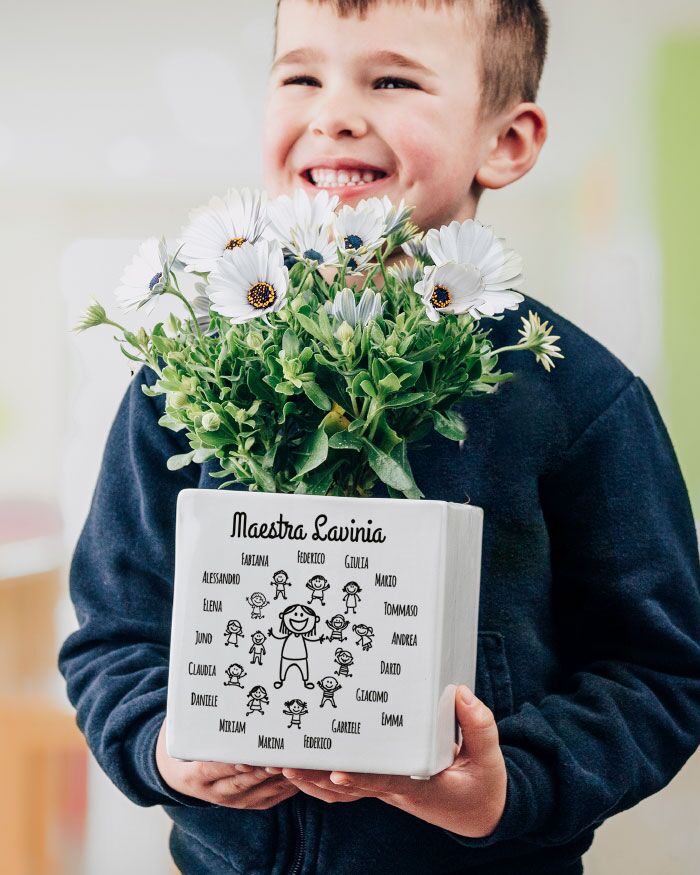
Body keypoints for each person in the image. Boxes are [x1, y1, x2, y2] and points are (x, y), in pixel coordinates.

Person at [57, 1, 700, 873]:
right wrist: (162, 745)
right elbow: (115, 631)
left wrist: (512, 784)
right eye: (301, 76)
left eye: (392, 80)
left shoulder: (580, 395)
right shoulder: (188, 376)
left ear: (507, 142)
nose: (334, 113)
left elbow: (661, 670)